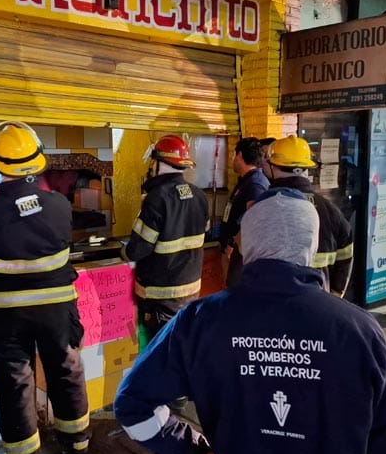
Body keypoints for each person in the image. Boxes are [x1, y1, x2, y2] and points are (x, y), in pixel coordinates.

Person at [114, 188, 386, 454]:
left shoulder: (201, 320)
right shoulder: (360, 332)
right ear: (310, 245)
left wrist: (194, 453)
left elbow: (131, 404)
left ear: (248, 243)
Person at [0, 121, 89, 454]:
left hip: (6, 315)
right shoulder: (60, 205)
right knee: (66, 369)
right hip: (57, 310)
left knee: (15, 383)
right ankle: (77, 440)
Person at [126, 134, 209, 350]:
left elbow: (138, 249)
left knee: (159, 353)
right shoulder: (199, 196)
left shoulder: (156, 198)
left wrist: (124, 252)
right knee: (182, 349)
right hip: (191, 293)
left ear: (158, 163)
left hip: (159, 298)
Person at [264, 135, 354, 297]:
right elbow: (346, 254)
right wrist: (334, 296)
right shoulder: (331, 210)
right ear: (307, 168)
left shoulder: (266, 207)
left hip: (276, 301)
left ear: (273, 167)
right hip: (319, 301)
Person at [219, 137, 269, 287]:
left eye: (233, 155)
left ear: (239, 155)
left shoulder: (255, 184)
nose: (232, 160)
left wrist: (233, 243)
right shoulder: (246, 180)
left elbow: (254, 220)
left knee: (237, 292)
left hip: (239, 254)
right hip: (233, 251)